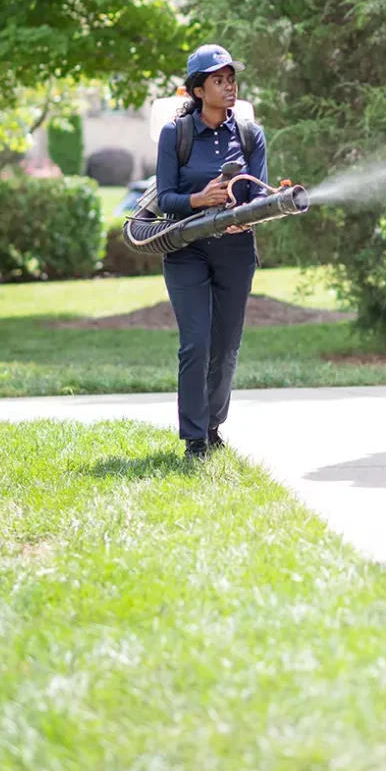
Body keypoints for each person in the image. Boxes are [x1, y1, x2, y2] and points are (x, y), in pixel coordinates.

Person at [156, 44, 267, 460]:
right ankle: (194, 438)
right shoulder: (176, 134)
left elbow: (260, 193)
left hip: (236, 250)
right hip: (186, 249)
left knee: (225, 345)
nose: (229, 87)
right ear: (199, 91)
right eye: (218, 81)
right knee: (196, 343)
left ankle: (214, 426)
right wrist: (199, 200)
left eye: (231, 79)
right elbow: (165, 197)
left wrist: (246, 216)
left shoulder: (251, 135)